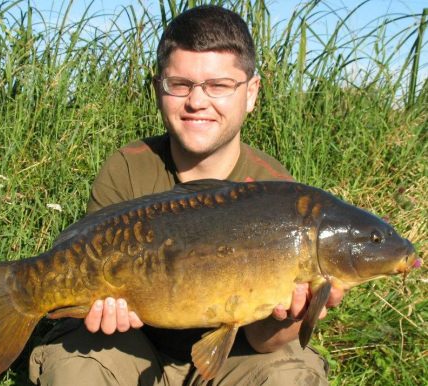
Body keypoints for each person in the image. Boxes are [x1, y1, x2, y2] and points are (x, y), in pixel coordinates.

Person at [29, 5, 344, 385]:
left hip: (234, 357)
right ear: (158, 88)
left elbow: (265, 342)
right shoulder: (128, 168)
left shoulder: (279, 195)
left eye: (219, 85)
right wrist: (93, 309)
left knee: (293, 375)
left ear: (251, 93)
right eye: (180, 84)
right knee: (74, 363)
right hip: (132, 346)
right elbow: (91, 273)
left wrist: (293, 316)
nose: (197, 101)